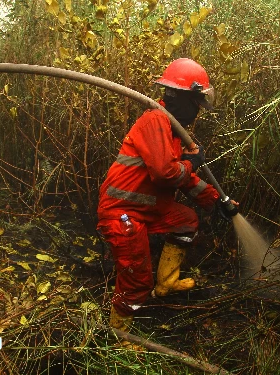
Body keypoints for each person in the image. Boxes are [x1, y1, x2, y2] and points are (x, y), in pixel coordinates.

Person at [97, 58, 238, 343]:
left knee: (187, 221)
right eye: (196, 103)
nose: (198, 111)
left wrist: (215, 200)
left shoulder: (172, 131)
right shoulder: (155, 120)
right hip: (123, 213)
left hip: (147, 209)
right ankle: (120, 337)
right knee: (137, 281)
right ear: (180, 97)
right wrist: (191, 163)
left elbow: (182, 177)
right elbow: (165, 174)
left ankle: (167, 283)